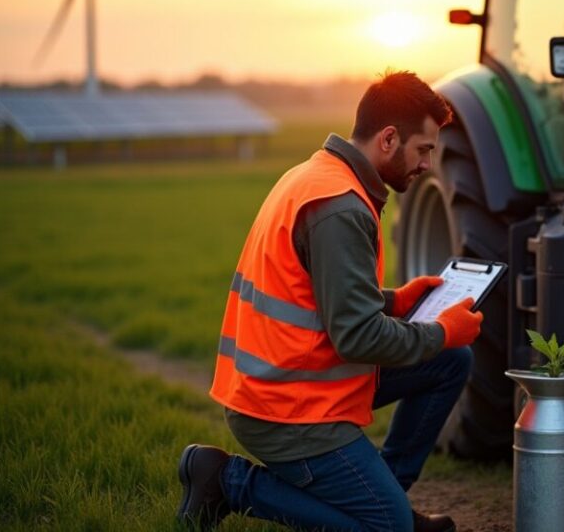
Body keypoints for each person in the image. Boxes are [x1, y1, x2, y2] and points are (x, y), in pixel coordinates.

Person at [176, 71, 483, 532]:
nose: (426, 165)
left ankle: (382, 497)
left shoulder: (318, 175)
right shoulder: (340, 207)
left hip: (292, 378)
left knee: (450, 362)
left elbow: (321, 294)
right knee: (388, 526)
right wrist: (439, 331)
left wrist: (395, 301)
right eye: (423, 150)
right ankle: (226, 482)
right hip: (285, 406)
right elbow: (357, 336)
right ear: (388, 138)